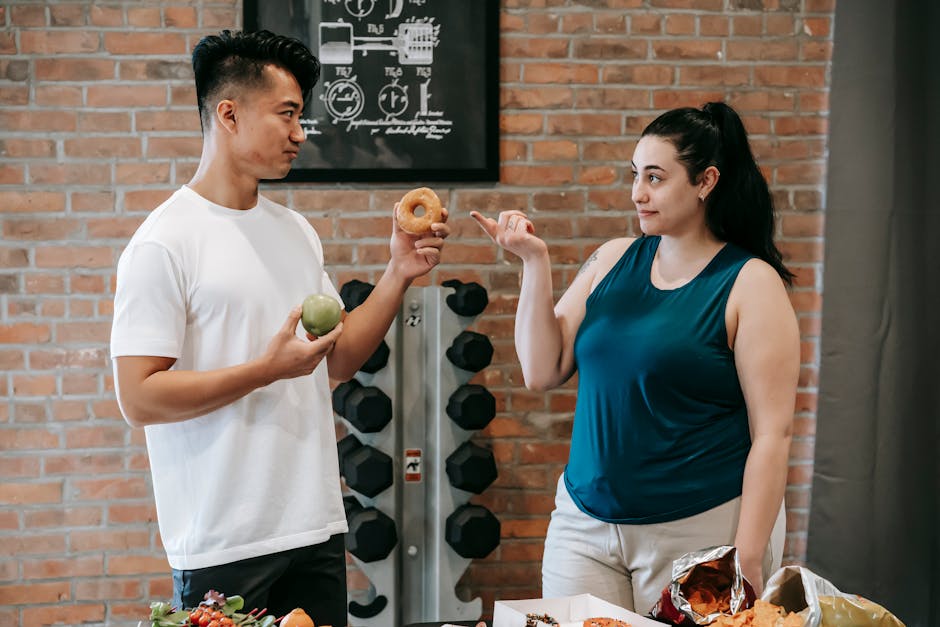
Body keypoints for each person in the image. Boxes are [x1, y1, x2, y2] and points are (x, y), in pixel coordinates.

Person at [109, 30, 449, 625]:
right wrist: (265, 371)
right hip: (223, 544)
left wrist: (398, 272)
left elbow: (337, 362)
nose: (301, 132)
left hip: (312, 524)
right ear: (230, 114)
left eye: (302, 116)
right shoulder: (163, 242)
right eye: (287, 114)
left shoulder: (295, 231)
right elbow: (139, 397)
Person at [472, 102, 799, 614]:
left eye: (655, 177)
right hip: (584, 523)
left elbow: (773, 435)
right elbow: (541, 369)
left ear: (705, 181)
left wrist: (749, 556)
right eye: (634, 175)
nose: (637, 193)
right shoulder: (612, 259)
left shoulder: (750, 283)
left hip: (697, 529)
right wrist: (534, 262)